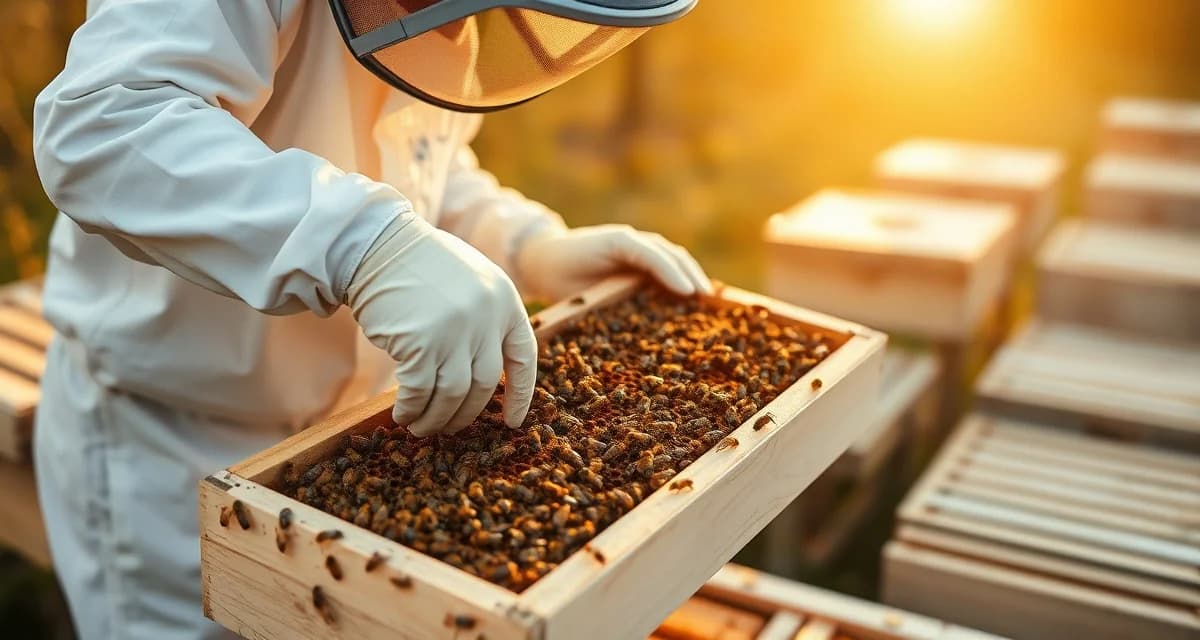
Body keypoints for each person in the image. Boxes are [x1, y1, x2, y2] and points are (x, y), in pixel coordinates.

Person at [31, 1, 704, 638]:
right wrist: (362, 242)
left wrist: (526, 244)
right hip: (171, 449)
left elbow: (409, 160)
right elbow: (107, 127)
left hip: (356, 437)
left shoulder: (433, 24)